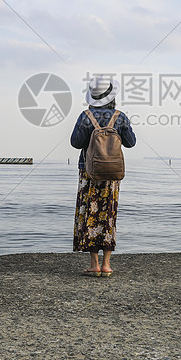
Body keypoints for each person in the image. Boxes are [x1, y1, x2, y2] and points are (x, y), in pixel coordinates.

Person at [70, 76, 136, 277]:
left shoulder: (85, 116)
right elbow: (131, 142)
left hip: (89, 173)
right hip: (112, 175)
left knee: (90, 216)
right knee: (108, 216)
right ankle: (107, 265)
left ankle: (94, 264)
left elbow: (75, 142)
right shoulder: (120, 116)